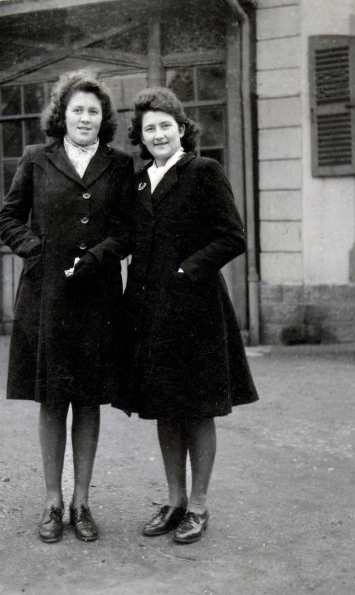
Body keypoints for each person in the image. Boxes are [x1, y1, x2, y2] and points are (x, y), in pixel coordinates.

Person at [115, 87, 259, 544]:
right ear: (139, 134)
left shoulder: (203, 172)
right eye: (149, 127)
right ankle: (174, 501)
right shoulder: (138, 182)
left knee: (197, 409)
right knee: (163, 409)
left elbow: (233, 236)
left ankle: (198, 506)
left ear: (181, 129)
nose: (157, 134)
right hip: (149, 312)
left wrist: (185, 270)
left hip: (195, 309)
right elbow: (129, 241)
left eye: (165, 126)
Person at [0, 70, 134, 543]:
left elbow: (128, 229)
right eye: (77, 109)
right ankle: (53, 501)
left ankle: (82, 503)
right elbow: (8, 217)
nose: (85, 118)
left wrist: (99, 256)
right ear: (63, 115)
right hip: (46, 297)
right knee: (53, 399)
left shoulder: (119, 165)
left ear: (103, 119)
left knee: (89, 399)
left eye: (93, 111)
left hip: (98, 300)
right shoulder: (37, 159)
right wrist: (38, 251)